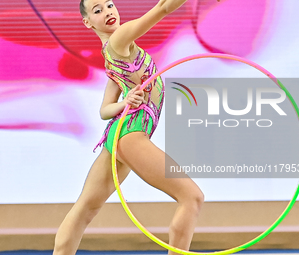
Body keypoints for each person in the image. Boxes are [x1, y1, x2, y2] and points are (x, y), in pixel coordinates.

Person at [53, 1, 204, 254]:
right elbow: (162, 10)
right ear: (88, 22)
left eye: (110, 5)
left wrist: (124, 102)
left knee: (85, 210)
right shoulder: (118, 41)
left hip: (118, 133)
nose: (108, 12)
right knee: (192, 198)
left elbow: (104, 111)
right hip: (131, 135)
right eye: (98, 10)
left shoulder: (111, 55)